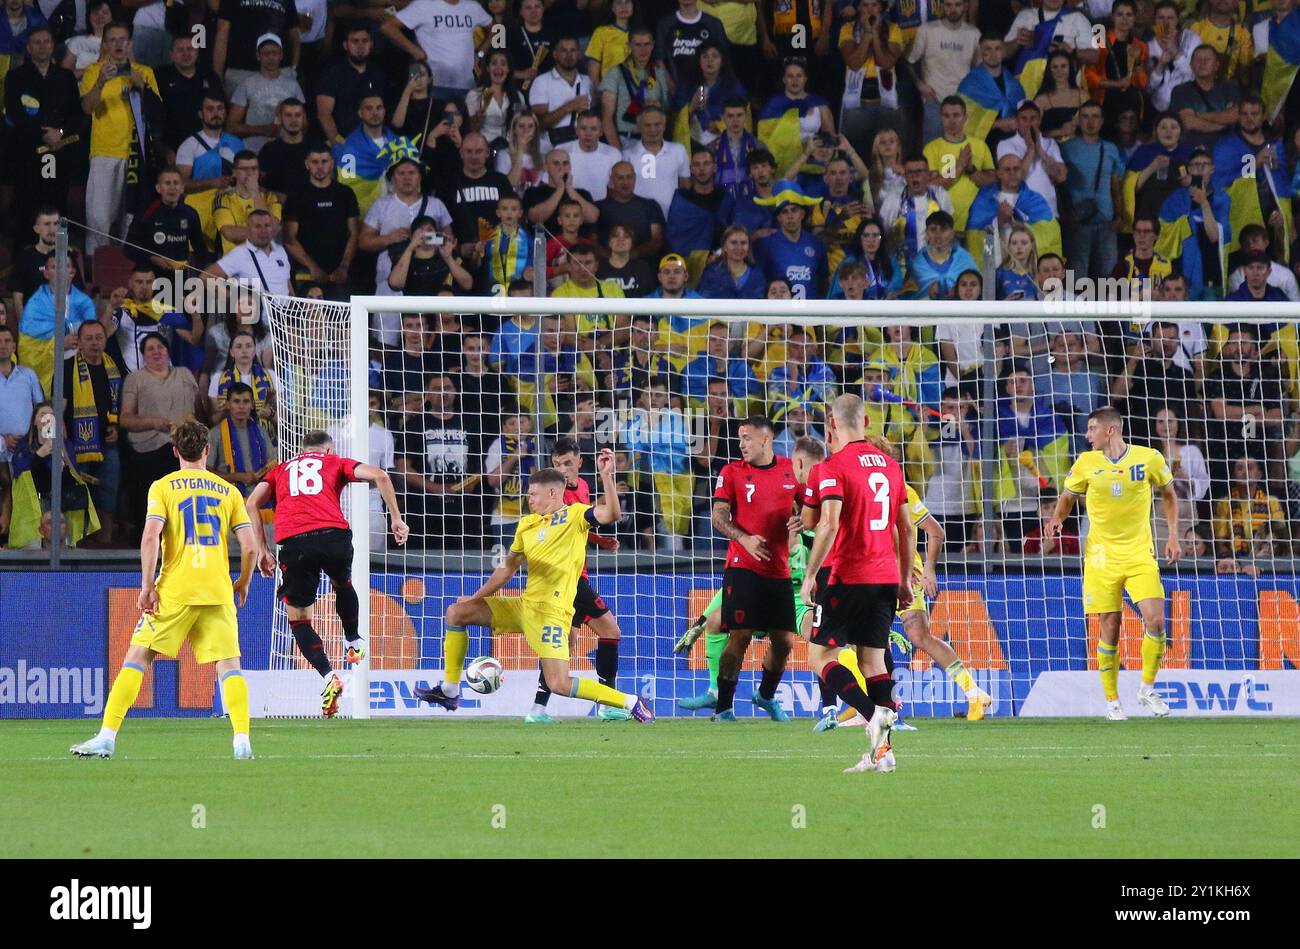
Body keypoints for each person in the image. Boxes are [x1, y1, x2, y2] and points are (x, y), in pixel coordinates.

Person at [416, 450, 654, 722]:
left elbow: (612, 514)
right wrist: (473, 598)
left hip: (552, 614)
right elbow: (507, 569)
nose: (528, 499)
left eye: (533, 494)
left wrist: (606, 477)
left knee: (559, 684)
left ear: (553, 493)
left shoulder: (575, 516)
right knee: (456, 613)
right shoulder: (526, 525)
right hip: (523, 607)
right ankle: (449, 689)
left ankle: (629, 701)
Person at [69, 420, 257, 759]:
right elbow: (250, 548)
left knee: (137, 657)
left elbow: (151, 535)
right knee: (229, 665)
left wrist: (146, 586)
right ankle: (242, 739)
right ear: (207, 450)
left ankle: (107, 737)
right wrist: (242, 581)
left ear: (175, 452)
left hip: (175, 589)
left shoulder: (163, 487)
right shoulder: (228, 490)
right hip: (216, 590)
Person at [245, 429, 409, 716]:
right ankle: (354, 643)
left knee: (299, 619)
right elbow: (381, 475)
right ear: (328, 450)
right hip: (334, 535)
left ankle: (328, 676)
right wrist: (396, 519)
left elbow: (251, 503)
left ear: (301, 451)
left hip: (295, 543)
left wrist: (262, 550)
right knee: (342, 583)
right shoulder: (334, 462)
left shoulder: (281, 469)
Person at [1045, 406, 1182, 721]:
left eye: (1091, 428)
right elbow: (1067, 496)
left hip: (1139, 553)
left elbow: (1169, 494)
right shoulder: (1085, 462)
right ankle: (1112, 702)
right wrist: (1056, 518)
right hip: (1101, 557)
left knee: (1157, 621)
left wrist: (1173, 535)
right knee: (1110, 627)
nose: (1086, 435)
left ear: (1110, 431)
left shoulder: (1149, 458)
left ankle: (1147, 688)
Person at [800, 393, 913, 773]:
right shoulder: (891, 466)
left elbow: (824, 524)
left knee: (819, 657)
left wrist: (812, 574)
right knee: (873, 660)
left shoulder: (831, 467)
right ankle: (884, 753)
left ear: (831, 425)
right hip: (885, 576)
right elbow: (907, 528)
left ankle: (872, 717)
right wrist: (904, 578)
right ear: (865, 423)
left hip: (847, 574)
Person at [525, 438, 628, 723]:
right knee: (610, 632)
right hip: (570, 580)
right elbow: (591, 519)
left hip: (571, 577)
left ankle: (538, 708)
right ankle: (608, 702)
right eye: (556, 465)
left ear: (579, 463)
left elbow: (581, 526)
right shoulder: (556, 498)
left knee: (564, 643)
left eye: (567, 463)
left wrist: (598, 540)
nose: (562, 469)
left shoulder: (581, 487)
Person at [706, 415, 800, 722]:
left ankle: (766, 695)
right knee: (740, 635)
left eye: (747, 438)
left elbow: (811, 510)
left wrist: (804, 521)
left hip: (780, 570)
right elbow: (718, 517)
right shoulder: (732, 472)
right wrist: (743, 538)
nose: (741, 444)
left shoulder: (791, 469)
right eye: (740, 438)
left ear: (766, 439)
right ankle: (724, 708)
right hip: (742, 566)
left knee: (785, 642)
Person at [79, 21, 162, 257]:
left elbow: (158, 113)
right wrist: (101, 82)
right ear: (104, 44)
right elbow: (87, 108)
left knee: (131, 219)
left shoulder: (144, 72)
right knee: (99, 218)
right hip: (105, 153)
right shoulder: (93, 72)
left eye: (123, 39)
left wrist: (141, 85)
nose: (118, 44)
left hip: (137, 154)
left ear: (130, 43)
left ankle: (128, 271)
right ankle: (97, 269)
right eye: (112, 40)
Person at [6, 27, 82, 229]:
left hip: (60, 152)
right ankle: (26, 255)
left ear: (52, 46)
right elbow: (14, 114)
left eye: (46, 41)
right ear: (29, 48)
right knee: (27, 205)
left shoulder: (66, 77)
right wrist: (42, 135)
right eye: (36, 42)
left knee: (57, 205)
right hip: (27, 153)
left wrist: (61, 134)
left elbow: (76, 115)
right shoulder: (15, 77)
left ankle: (58, 255)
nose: (42, 46)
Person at [282, 146, 360, 295]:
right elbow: (289, 238)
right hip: (306, 272)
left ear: (332, 163)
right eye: (315, 162)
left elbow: (354, 233)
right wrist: (313, 268)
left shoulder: (345, 193)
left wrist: (344, 266)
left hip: (340, 272)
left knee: (340, 317)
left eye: (324, 161)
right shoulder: (296, 194)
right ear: (307, 164)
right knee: (307, 317)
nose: (320, 166)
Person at [1060, 101, 1124, 281]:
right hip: (1078, 224)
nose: (1090, 121)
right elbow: (1058, 184)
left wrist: (1119, 216)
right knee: (1077, 281)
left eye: (1095, 116)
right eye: (1085, 116)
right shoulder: (1066, 148)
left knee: (1109, 280)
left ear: (1102, 121)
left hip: (1106, 223)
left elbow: (1115, 185)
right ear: (1078, 120)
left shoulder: (1111, 149)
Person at [381, 0, 493, 101]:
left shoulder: (472, 6)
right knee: (433, 123)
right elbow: (388, 27)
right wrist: (415, 51)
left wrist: (481, 54)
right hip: (433, 85)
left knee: (467, 123)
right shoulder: (423, 5)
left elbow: (496, 29)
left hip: (468, 84)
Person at [909, 0, 980, 147]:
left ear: (965, 6)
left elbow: (979, 69)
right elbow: (909, 61)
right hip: (934, 100)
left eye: (958, 5)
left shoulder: (974, 33)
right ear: (941, 6)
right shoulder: (927, 30)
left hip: (963, 102)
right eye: (948, 5)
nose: (953, 9)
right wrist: (919, 84)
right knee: (932, 150)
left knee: (961, 151)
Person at [227, 34, 305, 154]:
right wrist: (264, 130)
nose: (271, 57)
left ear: (281, 55)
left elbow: (304, 123)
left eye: (274, 53)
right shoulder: (247, 84)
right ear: (258, 56)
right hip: (253, 152)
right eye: (266, 53)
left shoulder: (293, 85)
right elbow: (232, 126)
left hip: (286, 151)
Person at [598, 27, 671, 149]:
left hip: (654, 141)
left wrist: (658, 108)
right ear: (629, 45)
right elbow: (606, 119)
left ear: (653, 45)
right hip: (626, 140)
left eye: (647, 44)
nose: (643, 50)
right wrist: (619, 152)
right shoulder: (616, 73)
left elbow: (667, 111)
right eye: (638, 45)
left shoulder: (658, 73)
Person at [156, 33, 226, 157]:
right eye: (180, 50)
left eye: (190, 49)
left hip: (207, 145)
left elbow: (222, 111)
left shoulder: (209, 76)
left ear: (197, 52)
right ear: (171, 54)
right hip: (171, 146)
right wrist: (164, 149)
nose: (186, 54)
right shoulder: (159, 77)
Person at [314, 23, 386, 146]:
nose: (360, 46)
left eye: (365, 41)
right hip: (343, 143)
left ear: (371, 44)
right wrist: (339, 146)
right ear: (345, 45)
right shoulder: (333, 72)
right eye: (355, 41)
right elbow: (324, 114)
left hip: (373, 144)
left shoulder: (377, 73)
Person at [214, 0, 301, 98]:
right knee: (237, 112)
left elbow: (295, 36)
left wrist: (293, 70)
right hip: (240, 71)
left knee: (282, 112)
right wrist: (217, 76)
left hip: (279, 71)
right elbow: (222, 34)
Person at [622, 105, 691, 218]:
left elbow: (685, 187)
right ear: (639, 127)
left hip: (673, 217)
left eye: (657, 124)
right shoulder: (628, 155)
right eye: (647, 125)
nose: (653, 129)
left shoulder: (678, 150)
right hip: (639, 218)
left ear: (664, 126)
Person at [212, 151, 285, 255]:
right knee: (180, 271)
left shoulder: (271, 197)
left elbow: (273, 228)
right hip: (236, 263)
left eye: (254, 169)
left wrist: (255, 193)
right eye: (244, 169)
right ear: (234, 172)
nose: (250, 173)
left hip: (265, 260)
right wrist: (265, 233)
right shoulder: (223, 199)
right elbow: (230, 233)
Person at [1170, 44, 1240, 152]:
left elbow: (1234, 116)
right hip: (1193, 149)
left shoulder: (1230, 87)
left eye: (1207, 59)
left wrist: (1198, 115)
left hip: (1228, 148)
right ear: (1191, 65)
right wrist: (1221, 125)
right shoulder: (1181, 90)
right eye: (1198, 60)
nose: (1202, 63)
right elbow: (1187, 122)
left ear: (1216, 65)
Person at [529, 35, 594, 150]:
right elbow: (538, 123)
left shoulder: (587, 81)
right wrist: (568, 107)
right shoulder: (542, 81)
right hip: (550, 148)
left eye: (573, 50)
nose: (569, 55)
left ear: (579, 54)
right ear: (555, 54)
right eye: (564, 50)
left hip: (580, 146)